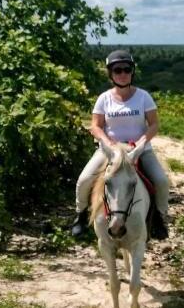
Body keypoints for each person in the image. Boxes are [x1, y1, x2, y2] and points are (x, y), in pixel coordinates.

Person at [70, 50, 170, 239]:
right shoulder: (104, 98)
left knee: (162, 181)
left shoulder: (143, 97)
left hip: (139, 150)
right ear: (111, 74)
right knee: (84, 180)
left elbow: (154, 124)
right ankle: (81, 215)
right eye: (117, 70)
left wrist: (141, 143)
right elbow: (96, 126)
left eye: (127, 69)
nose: (122, 74)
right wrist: (108, 143)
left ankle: (159, 217)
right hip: (110, 151)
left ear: (132, 72)